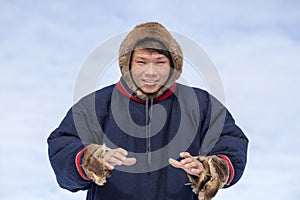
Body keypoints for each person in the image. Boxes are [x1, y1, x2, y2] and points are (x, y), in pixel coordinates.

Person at [47, 22, 248, 200]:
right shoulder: (96, 104)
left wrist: (209, 169)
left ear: (173, 65)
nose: (150, 72)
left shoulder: (201, 103)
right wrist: (91, 160)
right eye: (141, 62)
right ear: (127, 64)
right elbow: (62, 146)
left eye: (160, 62)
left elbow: (232, 144)